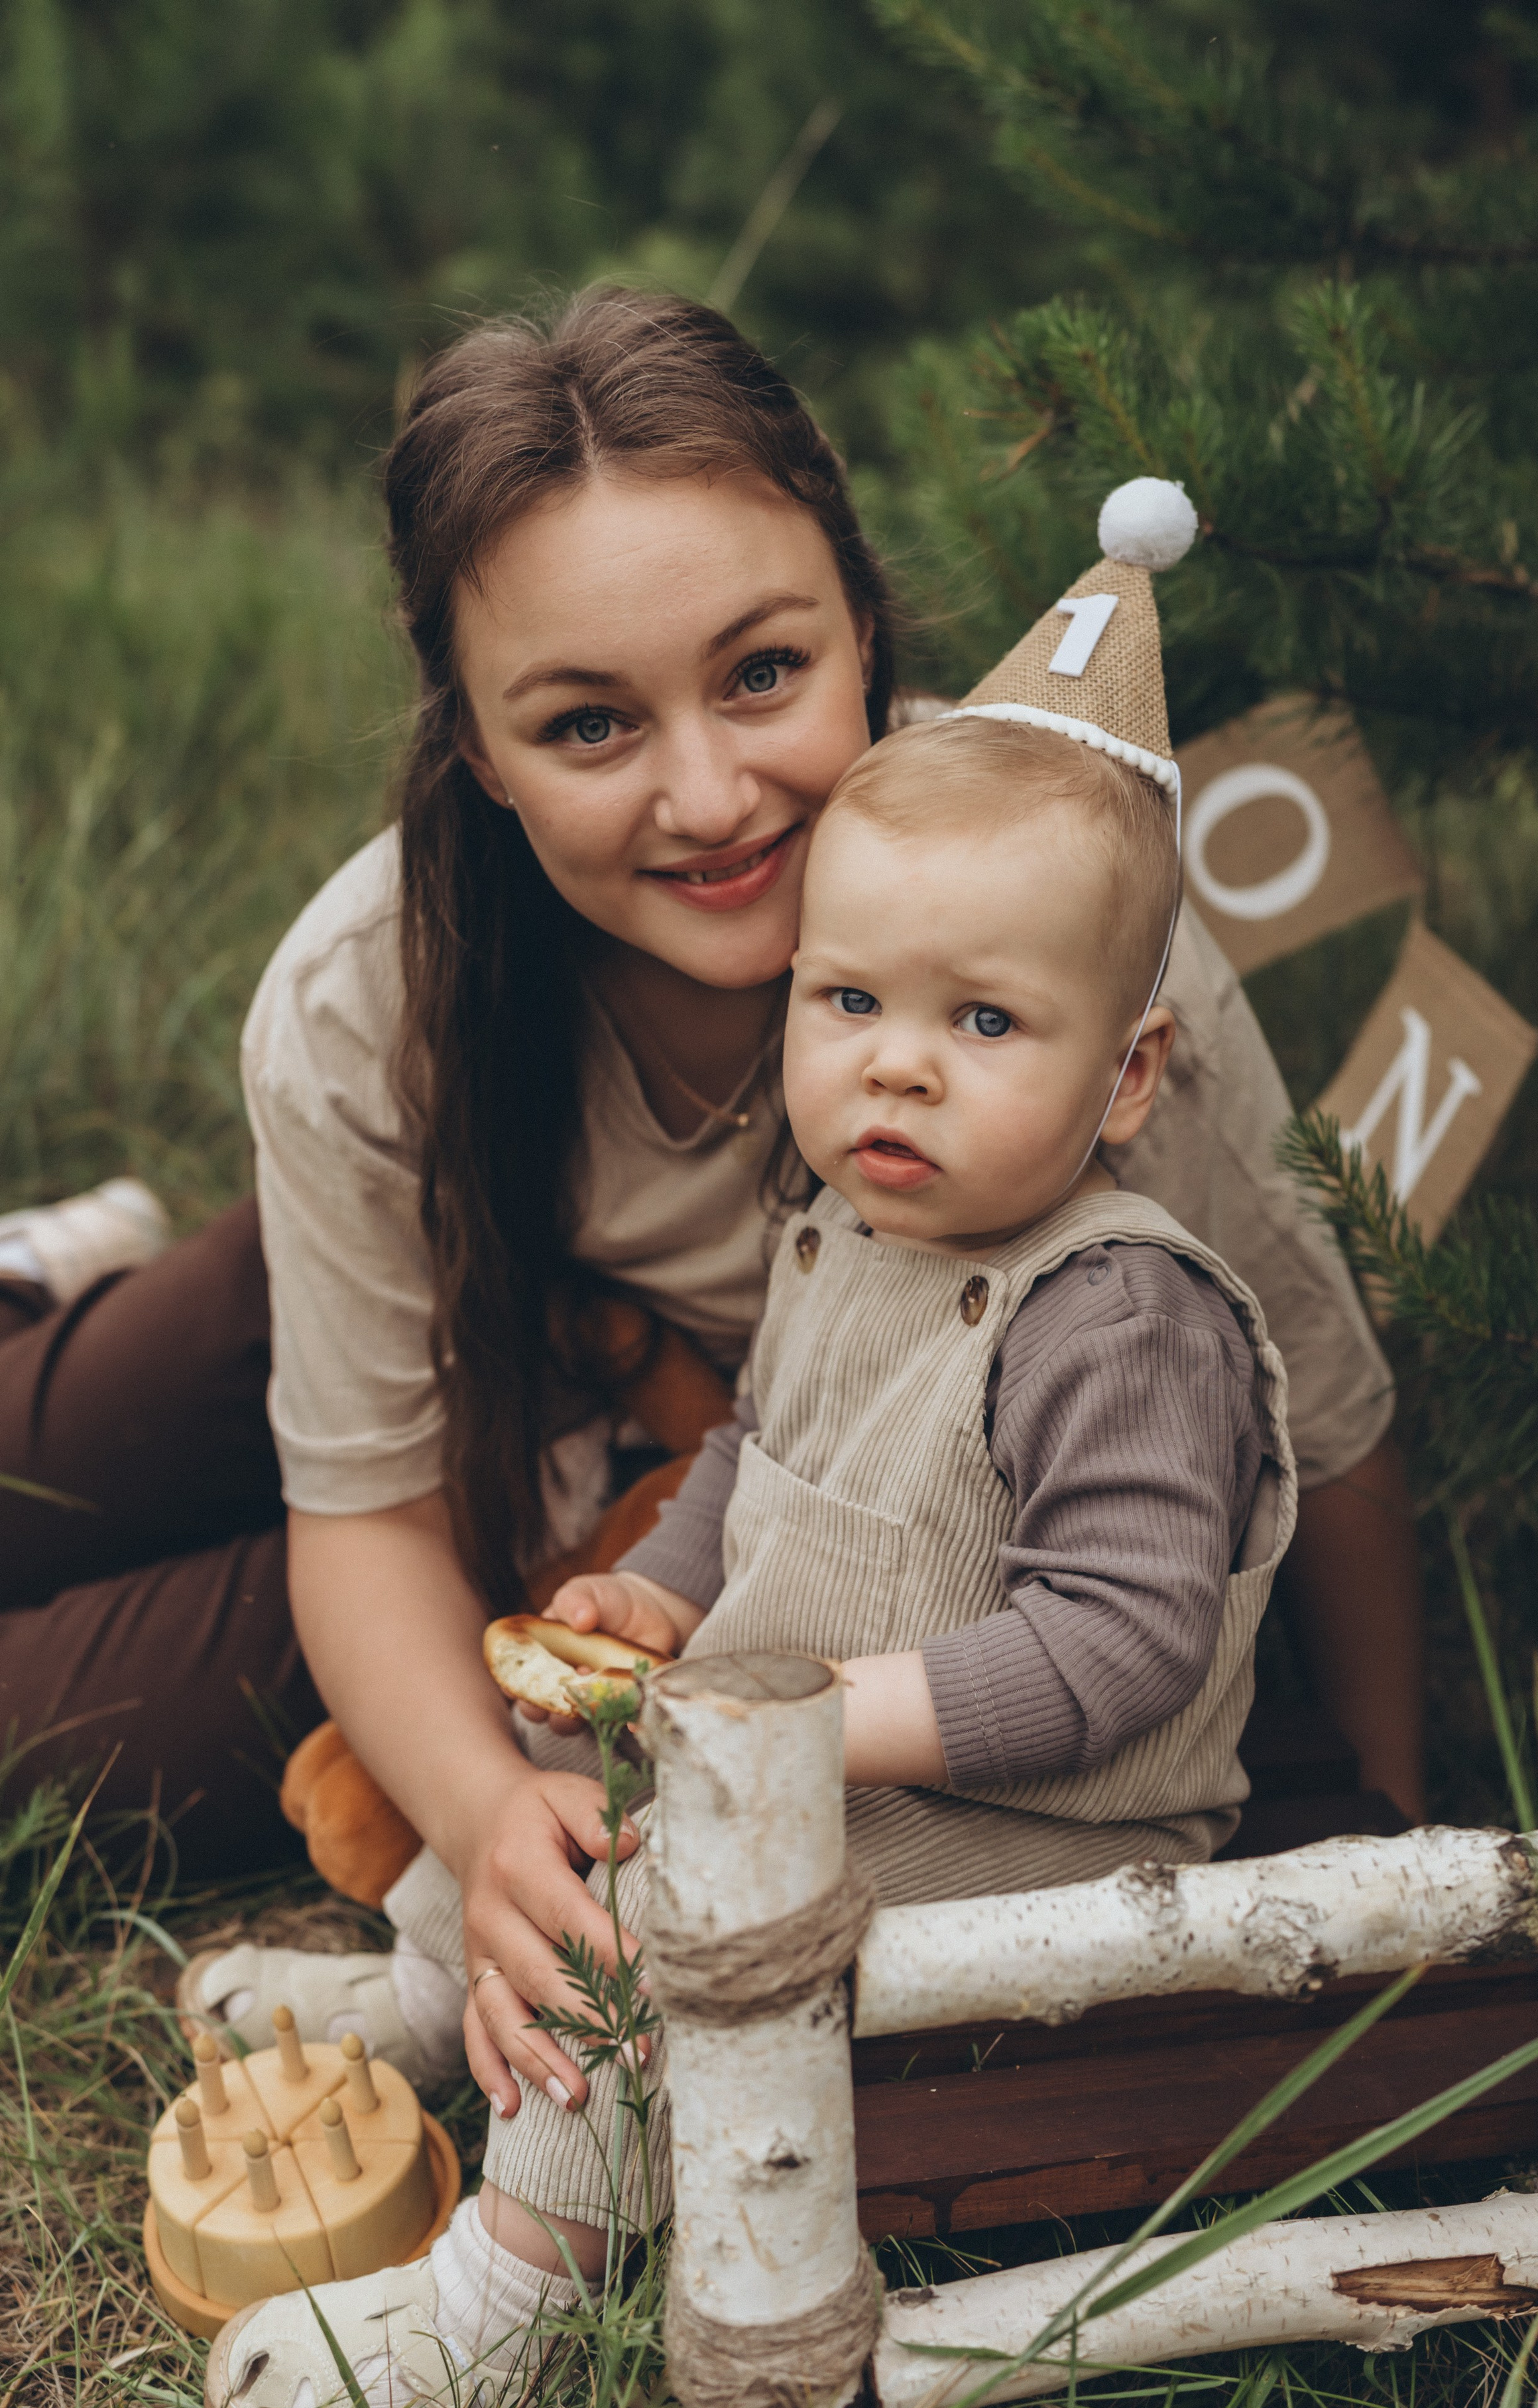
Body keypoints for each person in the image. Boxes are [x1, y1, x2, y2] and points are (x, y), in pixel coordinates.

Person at [0, 288, 1417, 1982]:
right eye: (588, 722)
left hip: (584, 1485)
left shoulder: (1066, 968)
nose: (712, 798)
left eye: (762, 674)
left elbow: (1316, 1428)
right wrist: (478, 1825)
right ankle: (48, 1290)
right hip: (432, 1296)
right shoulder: (364, 996)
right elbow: (355, 1499)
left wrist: (1387, 1825)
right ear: (479, 749)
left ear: (864, 632)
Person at [204, 510, 1303, 2408]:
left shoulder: (1120, 1312)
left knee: (692, 1925)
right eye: (848, 1003)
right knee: (555, 1794)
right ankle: (434, 1975)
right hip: (802, 1733)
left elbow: (1120, 1652)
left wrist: (811, 1721)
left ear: (1130, 1077)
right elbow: (755, 1449)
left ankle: (514, 2287)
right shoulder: (852, 1227)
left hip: (1034, 1822)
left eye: (983, 1026)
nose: (894, 1073)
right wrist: (672, 1597)